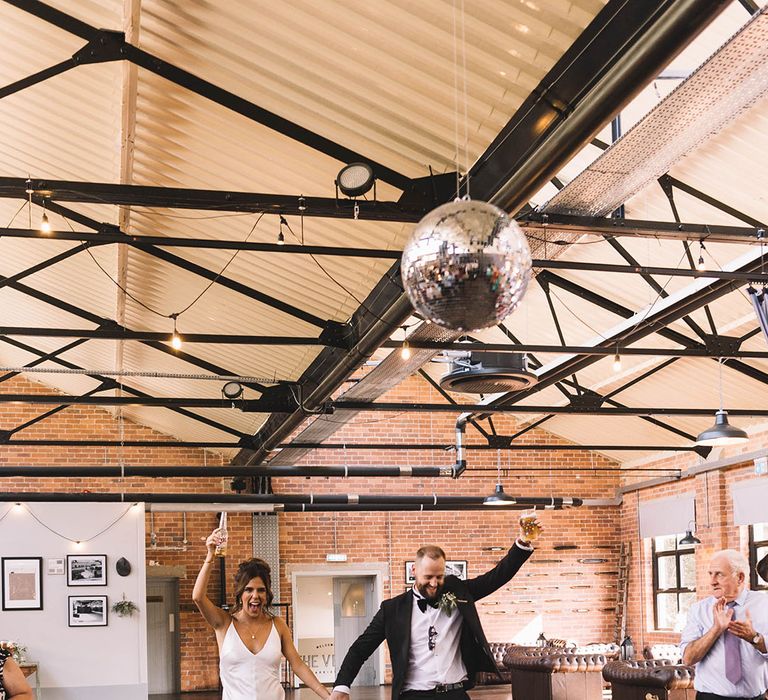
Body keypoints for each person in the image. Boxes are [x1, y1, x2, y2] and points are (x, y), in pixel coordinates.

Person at [330, 519, 540, 700]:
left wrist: (522, 542)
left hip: (455, 693)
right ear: (414, 571)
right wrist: (342, 685)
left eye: (439, 577)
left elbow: (497, 577)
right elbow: (360, 648)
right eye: (427, 577)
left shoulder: (459, 592)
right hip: (414, 695)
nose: (433, 583)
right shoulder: (392, 609)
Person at [193, 528, 331, 700]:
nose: (255, 596)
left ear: (267, 594)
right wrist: (210, 557)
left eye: (261, 590)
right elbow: (198, 597)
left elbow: (298, 665)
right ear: (240, 594)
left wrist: (327, 696)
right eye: (249, 590)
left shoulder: (278, 625)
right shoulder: (224, 623)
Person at [680, 549, 768, 700]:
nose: (712, 581)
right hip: (710, 697)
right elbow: (688, 659)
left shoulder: (764, 604)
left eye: (719, 574)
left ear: (740, 577)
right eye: (710, 574)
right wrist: (716, 629)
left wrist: (755, 638)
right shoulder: (698, 610)